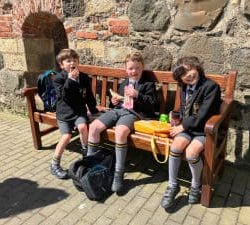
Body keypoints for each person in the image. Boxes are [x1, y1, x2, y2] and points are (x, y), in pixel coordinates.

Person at [87, 51, 158, 193]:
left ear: (142, 67)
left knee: (120, 132)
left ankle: (118, 175)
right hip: (118, 110)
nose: (134, 71)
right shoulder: (124, 83)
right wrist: (114, 101)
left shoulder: (148, 84)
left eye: (137, 68)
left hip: (134, 113)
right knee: (94, 127)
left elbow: (153, 104)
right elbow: (118, 102)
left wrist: (138, 95)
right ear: (126, 70)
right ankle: (89, 165)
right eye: (131, 68)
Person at [160, 56, 222, 208]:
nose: (188, 75)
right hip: (188, 128)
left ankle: (195, 185)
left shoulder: (210, 87)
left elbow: (203, 115)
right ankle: (173, 185)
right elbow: (184, 109)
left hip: (203, 130)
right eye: (183, 74)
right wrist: (176, 117)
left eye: (190, 70)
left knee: (191, 154)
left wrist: (182, 126)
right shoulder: (184, 87)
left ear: (197, 68)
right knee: (175, 147)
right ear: (180, 79)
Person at [51, 48, 99, 179]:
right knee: (66, 136)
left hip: (79, 111)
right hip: (64, 113)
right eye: (68, 61)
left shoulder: (83, 77)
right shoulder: (58, 79)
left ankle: (86, 153)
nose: (72, 63)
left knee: (83, 127)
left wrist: (94, 111)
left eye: (75, 60)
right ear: (62, 64)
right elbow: (64, 96)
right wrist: (70, 80)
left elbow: (88, 95)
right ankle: (55, 164)